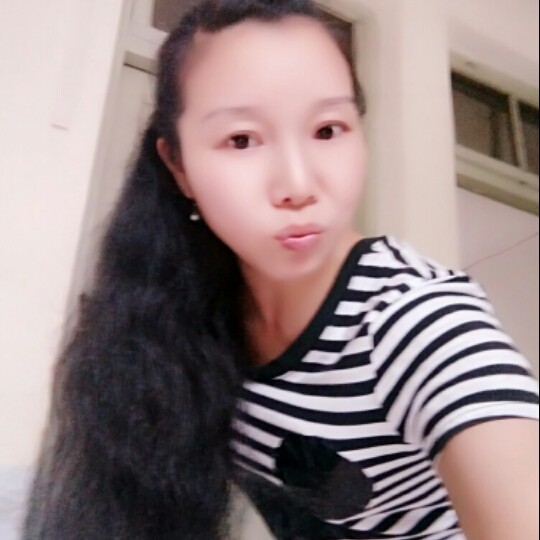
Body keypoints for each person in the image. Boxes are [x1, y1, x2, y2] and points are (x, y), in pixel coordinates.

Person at [23, 1, 539, 539]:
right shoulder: (186, 307)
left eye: (328, 130)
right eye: (242, 139)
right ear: (178, 165)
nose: (298, 184)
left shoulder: (419, 321)